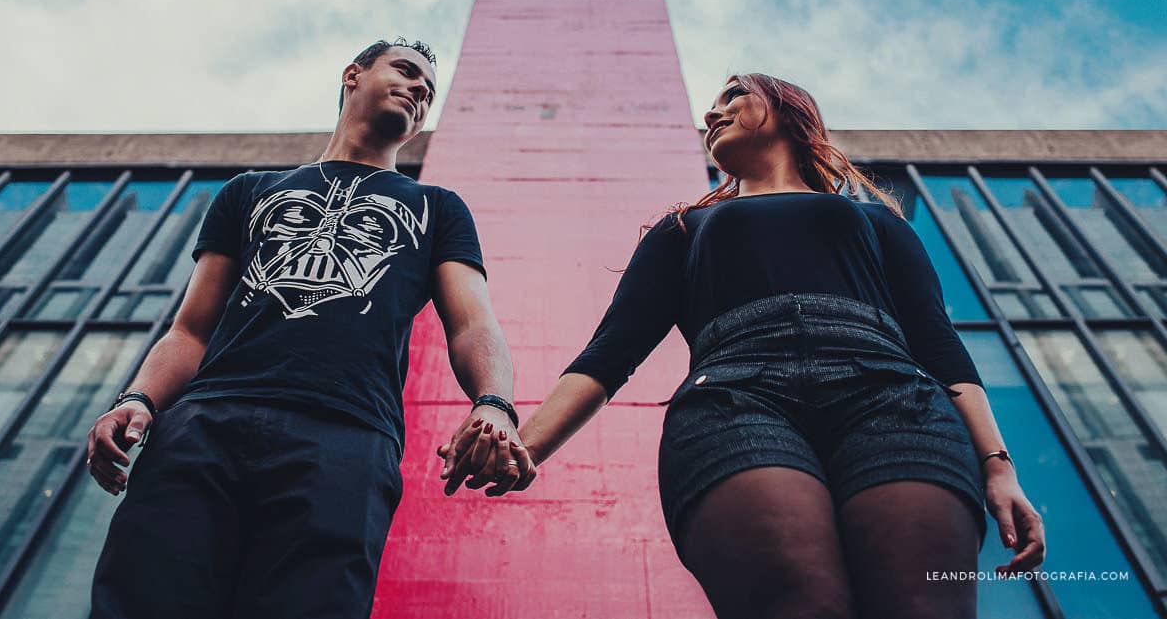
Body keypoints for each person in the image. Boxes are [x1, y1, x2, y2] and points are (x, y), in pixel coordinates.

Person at [441, 73, 1045, 619]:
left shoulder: (878, 221)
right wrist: (527, 446)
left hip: (894, 401)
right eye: (710, 107)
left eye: (732, 96)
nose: (712, 114)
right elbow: (608, 356)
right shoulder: (684, 229)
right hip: (735, 404)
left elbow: (940, 348)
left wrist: (998, 467)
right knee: (801, 604)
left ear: (788, 109)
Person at [85, 37, 535, 619]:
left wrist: (495, 403)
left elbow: (474, 323)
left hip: (347, 437)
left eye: (428, 91)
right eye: (405, 72)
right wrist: (137, 398)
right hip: (205, 426)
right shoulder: (248, 191)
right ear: (353, 75)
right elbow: (191, 331)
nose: (420, 90)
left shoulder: (437, 207)